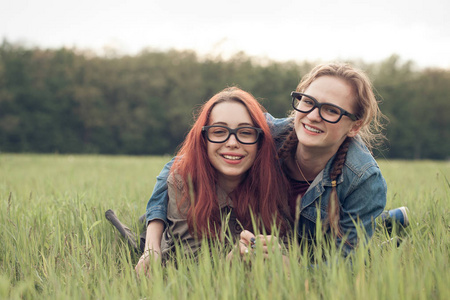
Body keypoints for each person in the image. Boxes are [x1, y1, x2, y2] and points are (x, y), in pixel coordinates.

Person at [140, 63, 387, 262]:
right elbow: (181, 166)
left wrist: (293, 268)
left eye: (331, 110)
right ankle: (389, 220)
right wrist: (153, 239)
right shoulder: (263, 132)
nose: (313, 116)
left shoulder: (363, 179)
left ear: (355, 125)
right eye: (308, 102)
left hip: (304, 248)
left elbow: (347, 264)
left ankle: (386, 221)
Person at [134, 87, 291, 275]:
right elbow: (191, 263)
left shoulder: (276, 179)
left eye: (246, 132)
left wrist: (280, 257)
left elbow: (291, 247)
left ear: (260, 141)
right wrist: (232, 261)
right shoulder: (183, 182)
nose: (232, 142)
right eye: (219, 131)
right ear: (203, 139)